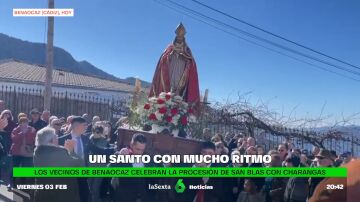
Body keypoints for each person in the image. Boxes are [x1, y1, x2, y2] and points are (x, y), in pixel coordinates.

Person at [149, 23, 200, 106]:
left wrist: (184, 57)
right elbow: (163, 60)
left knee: (179, 94)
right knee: (166, 92)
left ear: (184, 37)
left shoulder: (187, 50)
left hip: (181, 73)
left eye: (181, 37)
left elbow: (191, 63)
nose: (180, 38)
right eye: (178, 37)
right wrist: (170, 55)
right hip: (169, 72)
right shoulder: (169, 48)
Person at [33, 127, 84, 202]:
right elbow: (80, 165)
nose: (57, 137)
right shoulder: (60, 152)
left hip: (43, 193)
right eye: (55, 136)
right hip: (62, 195)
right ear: (51, 140)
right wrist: (71, 151)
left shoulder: (37, 151)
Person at [110, 133, 155, 202]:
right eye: (137, 149)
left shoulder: (147, 160)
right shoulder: (121, 155)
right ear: (131, 145)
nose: (140, 153)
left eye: (142, 150)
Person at [58, 116, 90, 202]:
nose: (87, 127)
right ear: (76, 126)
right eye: (84, 125)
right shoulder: (61, 140)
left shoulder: (86, 139)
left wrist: (116, 151)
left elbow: (97, 149)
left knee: (84, 195)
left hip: (83, 173)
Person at [10, 117, 36, 186]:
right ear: (20, 123)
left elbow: (34, 139)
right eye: (23, 122)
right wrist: (22, 133)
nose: (25, 124)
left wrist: (28, 132)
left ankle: (23, 183)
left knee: (26, 168)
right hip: (16, 152)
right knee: (15, 167)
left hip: (27, 152)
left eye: (26, 122)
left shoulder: (31, 129)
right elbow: (14, 139)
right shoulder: (15, 129)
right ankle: (12, 182)